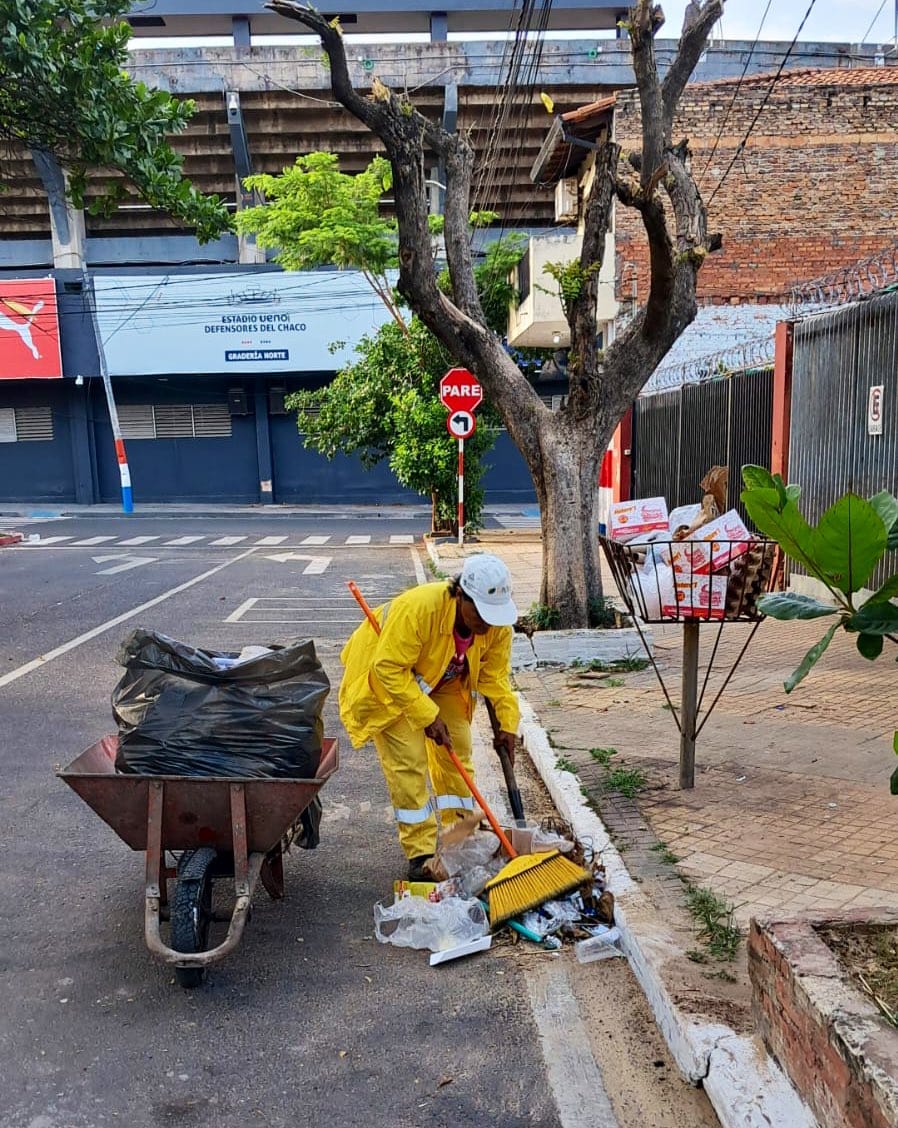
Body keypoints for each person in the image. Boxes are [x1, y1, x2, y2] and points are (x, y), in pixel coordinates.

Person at [339, 553, 520, 879]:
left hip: (442, 680)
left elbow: (495, 679)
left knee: (458, 750)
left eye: (493, 617)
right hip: (389, 681)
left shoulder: (496, 628)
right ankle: (420, 854)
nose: (486, 625)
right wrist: (426, 716)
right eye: (480, 615)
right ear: (462, 597)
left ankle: (460, 841)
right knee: (408, 762)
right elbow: (388, 669)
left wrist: (508, 726)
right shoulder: (420, 609)